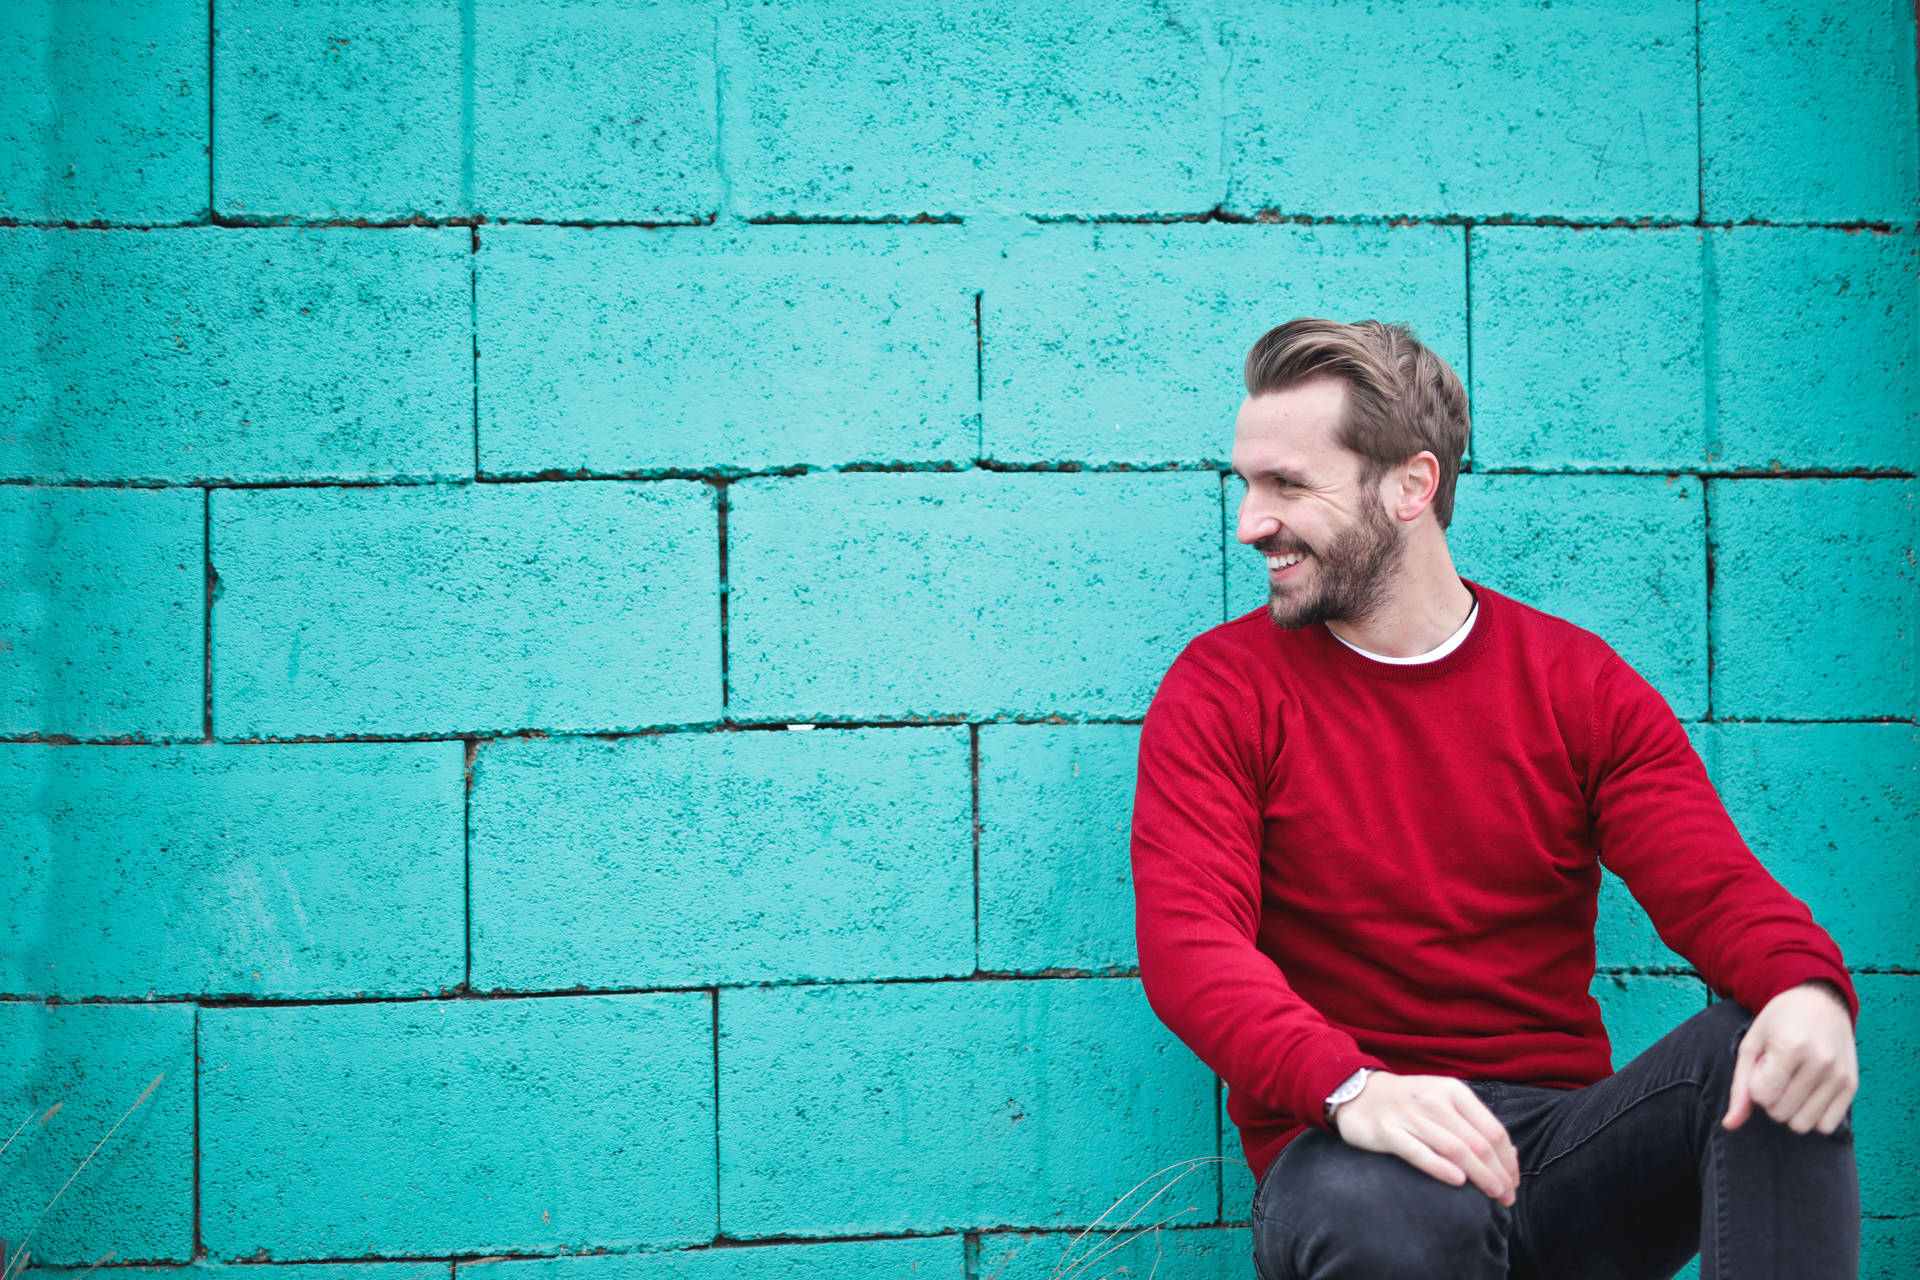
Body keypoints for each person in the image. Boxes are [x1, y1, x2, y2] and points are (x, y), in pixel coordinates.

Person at [1128, 318, 1861, 1279]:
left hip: (1556, 1153)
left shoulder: (1575, 684)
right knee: (1386, 1214)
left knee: (1765, 1053)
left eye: (1288, 486)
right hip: (1352, 1149)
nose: (1250, 521)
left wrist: (1807, 991)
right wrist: (1354, 1088)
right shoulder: (1224, 689)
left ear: (1411, 486)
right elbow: (1190, 946)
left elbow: (1714, 885)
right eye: (1248, 484)